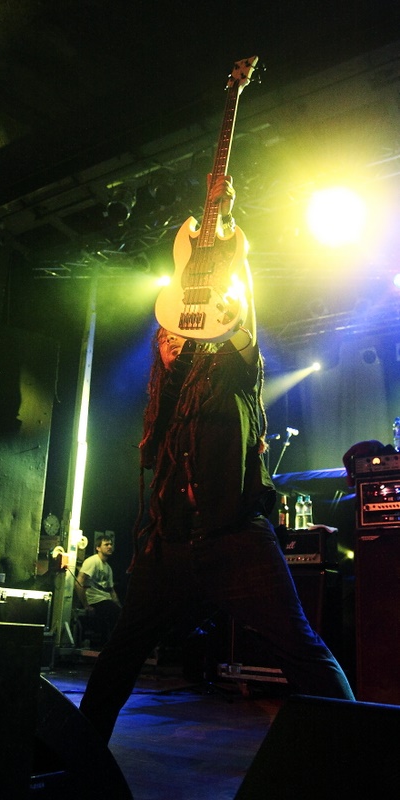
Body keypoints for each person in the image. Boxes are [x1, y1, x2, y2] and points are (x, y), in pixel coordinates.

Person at [79, 175, 355, 744]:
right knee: (120, 658)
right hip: (171, 542)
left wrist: (225, 231)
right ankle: (72, 758)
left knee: (304, 651)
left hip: (235, 540)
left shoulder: (234, 366)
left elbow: (242, 327)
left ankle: (365, 754)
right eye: (164, 337)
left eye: (181, 335)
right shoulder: (165, 391)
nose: (171, 339)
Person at [75, 535, 122, 646]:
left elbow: (111, 591)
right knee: (114, 613)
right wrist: (86, 605)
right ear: (98, 548)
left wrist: (120, 606)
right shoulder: (92, 561)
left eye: (111, 544)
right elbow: (78, 583)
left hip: (105, 599)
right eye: (106, 544)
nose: (110, 546)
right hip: (95, 600)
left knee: (120, 615)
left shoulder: (108, 568)